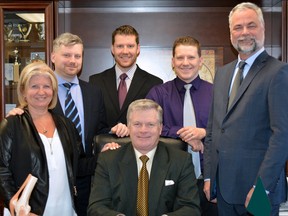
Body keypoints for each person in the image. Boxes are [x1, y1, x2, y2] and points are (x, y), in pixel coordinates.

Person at [7, 32, 129, 216]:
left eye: (77, 56)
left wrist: (112, 134)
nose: (72, 60)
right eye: (66, 55)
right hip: (36, 193)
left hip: (82, 181)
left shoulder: (94, 92)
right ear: (53, 57)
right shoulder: (34, 99)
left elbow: (98, 130)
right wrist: (16, 202)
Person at [203, 2, 288, 216]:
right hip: (223, 190)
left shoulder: (278, 72)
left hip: (258, 191)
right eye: (238, 27)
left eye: (251, 26)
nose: (245, 33)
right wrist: (209, 177)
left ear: (263, 29)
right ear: (230, 33)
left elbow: (282, 136)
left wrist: (262, 187)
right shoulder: (222, 73)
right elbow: (214, 130)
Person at [87, 99, 201, 215]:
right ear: (129, 127)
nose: (143, 130)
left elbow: (191, 208)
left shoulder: (181, 160)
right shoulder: (108, 160)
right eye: (137, 124)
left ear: (160, 128)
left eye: (150, 124)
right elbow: (96, 207)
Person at [146, 36, 217, 215]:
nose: (185, 63)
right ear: (173, 61)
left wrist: (203, 133)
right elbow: (147, 127)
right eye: (180, 58)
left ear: (200, 61)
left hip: (208, 180)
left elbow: (229, 129)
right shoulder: (158, 93)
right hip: (169, 182)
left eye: (191, 57)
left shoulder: (217, 92)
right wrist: (184, 134)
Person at [0, 62, 80, 215]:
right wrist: (17, 206)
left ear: (53, 91)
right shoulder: (11, 124)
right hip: (28, 211)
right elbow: (1, 169)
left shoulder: (66, 124)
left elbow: (79, 163)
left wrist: (105, 151)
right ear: (23, 91)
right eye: (34, 86)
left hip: (65, 208)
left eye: (47, 86)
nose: (41, 92)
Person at [89, 25, 163, 127]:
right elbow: (93, 122)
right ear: (112, 49)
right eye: (120, 46)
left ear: (138, 49)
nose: (125, 51)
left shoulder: (154, 83)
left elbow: (154, 124)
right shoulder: (95, 82)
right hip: (104, 141)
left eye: (130, 46)